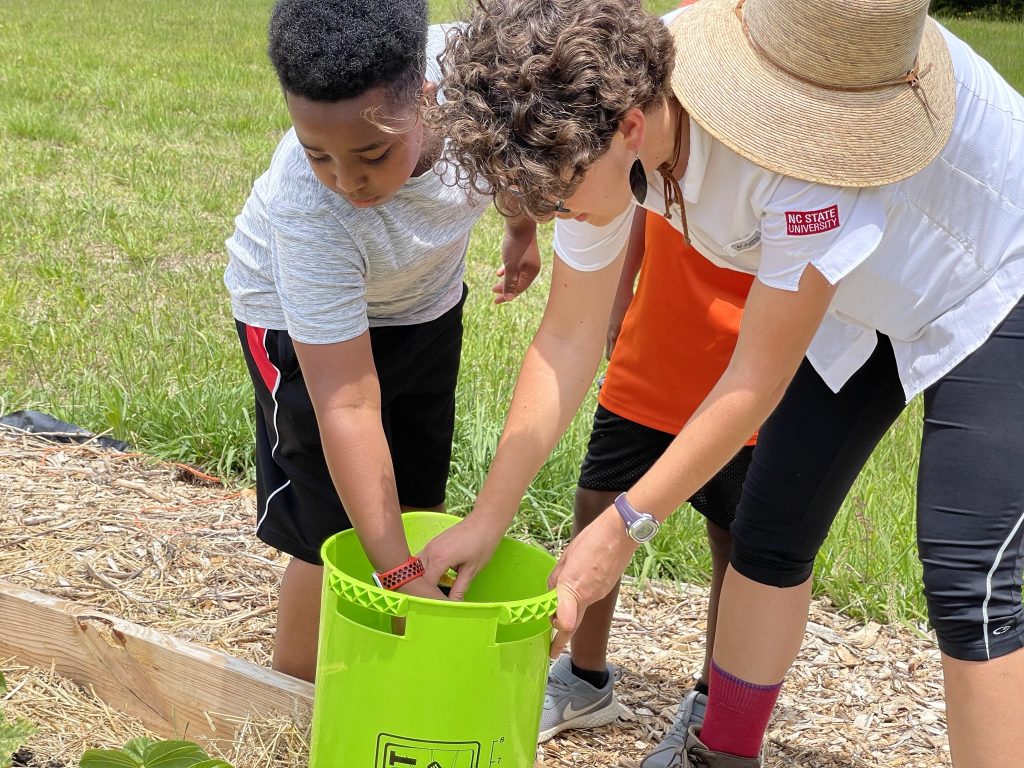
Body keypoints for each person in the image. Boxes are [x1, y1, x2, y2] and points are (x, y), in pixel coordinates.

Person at [422, 0, 1024, 766]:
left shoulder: (796, 156)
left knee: (967, 571)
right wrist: (489, 515)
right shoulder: (591, 112)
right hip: (858, 283)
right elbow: (568, 339)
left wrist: (623, 527)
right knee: (771, 530)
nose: (554, 216)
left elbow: (756, 377)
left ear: (632, 131)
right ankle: (724, 754)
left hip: (1000, 264)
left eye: (559, 200)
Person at [223, 0, 538, 683]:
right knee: (330, 533)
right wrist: (392, 569)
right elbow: (346, 403)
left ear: (429, 99)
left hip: (421, 302)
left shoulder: (479, 78)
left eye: (371, 154)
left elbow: (512, 146)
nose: (347, 180)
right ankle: (297, 705)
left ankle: (389, 674)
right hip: (294, 323)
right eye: (319, 155)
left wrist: (519, 226)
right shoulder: (307, 207)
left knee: (416, 500)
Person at [540, 210, 756, 768]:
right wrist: (619, 296)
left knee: (734, 540)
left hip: (748, 359)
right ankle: (584, 678)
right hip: (655, 338)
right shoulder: (673, 124)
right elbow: (645, 201)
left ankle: (714, 702)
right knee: (598, 502)